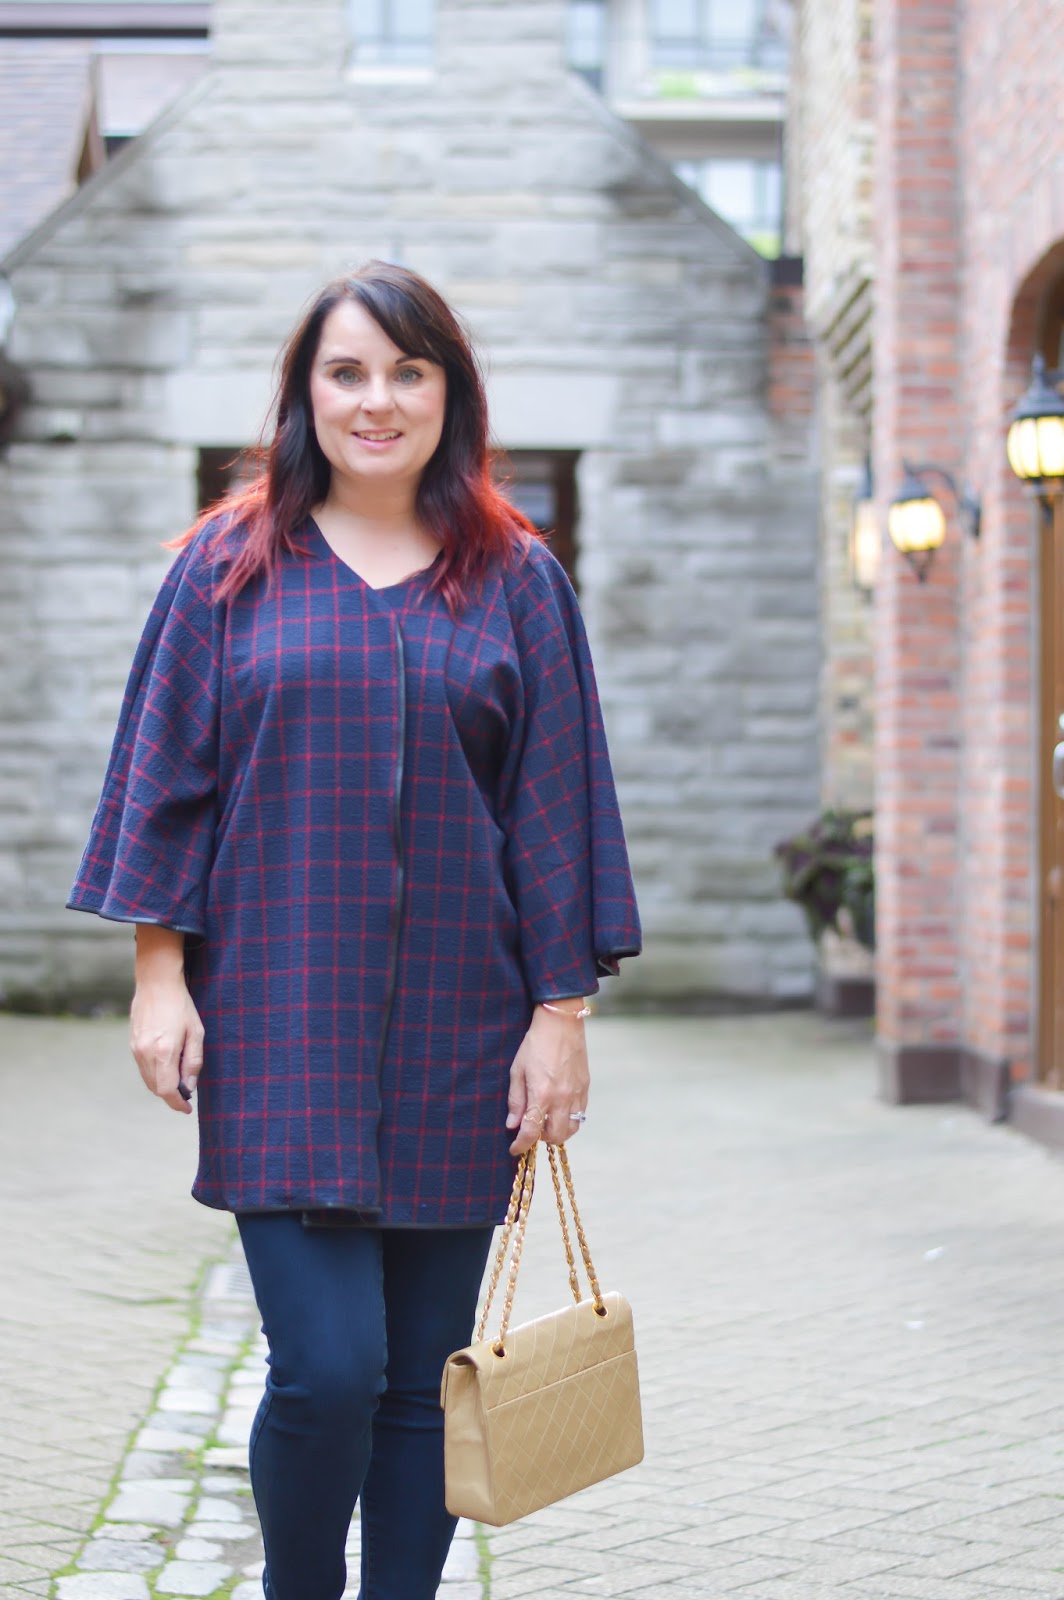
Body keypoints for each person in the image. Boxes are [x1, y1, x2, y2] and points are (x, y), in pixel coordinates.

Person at [68, 261, 641, 1600]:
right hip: (280, 1019)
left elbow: (557, 808)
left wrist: (560, 1018)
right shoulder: (227, 569)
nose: (377, 401)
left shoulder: (517, 579)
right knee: (326, 1371)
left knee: (421, 1384)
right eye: (347, 372)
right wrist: (160, 977)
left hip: (463, 1031)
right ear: (305, 394)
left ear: (450, 394)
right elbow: (164, 780)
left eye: (407, 372)